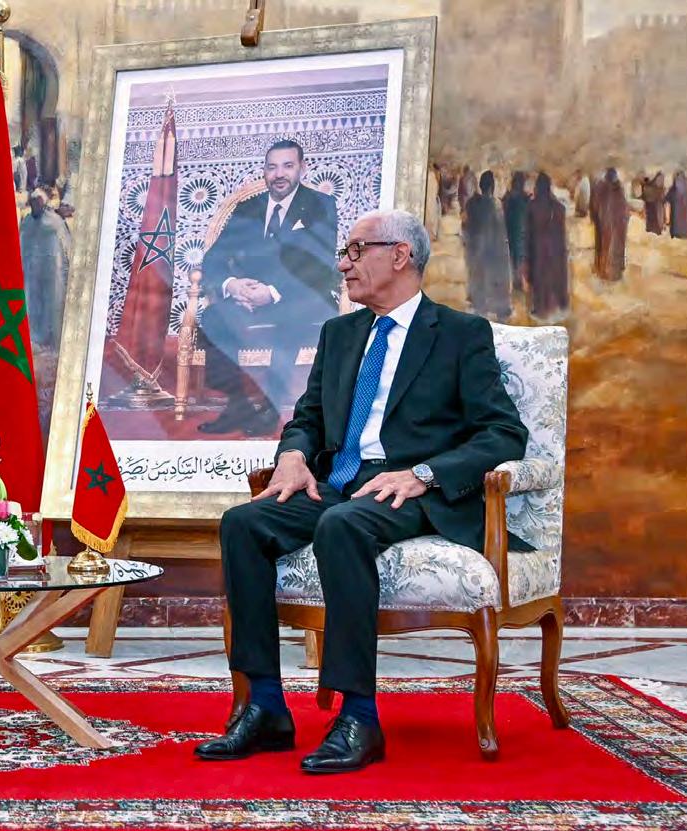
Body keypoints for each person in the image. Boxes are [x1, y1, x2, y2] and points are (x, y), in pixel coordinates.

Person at [194, 209, 529, 774]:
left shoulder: (459, 335)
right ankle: (266, 706)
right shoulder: (340, 334)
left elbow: (503, 432)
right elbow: (307, 417)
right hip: (340, 482)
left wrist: (424, 474)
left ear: (399, 255)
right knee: (244, 523)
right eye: (344, 253)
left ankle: (359, 717)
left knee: (341, 524)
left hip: (409, 491)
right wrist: (293, 456)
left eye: (355, 251)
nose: (343, 264)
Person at [196, 139, 340, 436]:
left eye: (287, 166)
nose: (279, 174)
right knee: (213, 318)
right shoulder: (248, 208)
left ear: (302, 168)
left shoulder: (321, 205)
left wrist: (272, 293)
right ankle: (237, 404)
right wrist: (234, 285)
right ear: (264, 171)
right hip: (250, 297)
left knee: (290, 317)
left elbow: (319, 262)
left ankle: (270, 405)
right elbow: (214, 259)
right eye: (272, 167)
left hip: (301, 296)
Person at [20, 188, 71, 352]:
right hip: (32, 272)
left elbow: (66, 246)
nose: (35, 205)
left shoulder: (55, 222)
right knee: (34, 304)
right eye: (33, 203)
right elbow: (21, 246)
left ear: (43, 203)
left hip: (51, 271)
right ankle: (36, 337)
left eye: (38, 202)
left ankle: (51, 340)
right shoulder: (26, 222)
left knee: (52, 303)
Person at [462, 170, 514, 321]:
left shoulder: (471, 204)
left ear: (480, 185)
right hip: (492, 249)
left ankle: (479, 308)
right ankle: (500, 311)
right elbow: (500, 230)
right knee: (497, 279)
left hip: (476, 248)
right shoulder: (495, 205)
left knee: (478, 279)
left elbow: (466, 227)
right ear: (492, 186)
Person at [526, 172, 569, 320]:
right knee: (554, 275)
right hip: (555, 249)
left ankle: (541, 308)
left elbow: (528, 233)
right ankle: (557, 304)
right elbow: (562, 233)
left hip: (538, 249)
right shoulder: (559, 207)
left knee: (540, 277)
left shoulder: (532, 206)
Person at [592, 168, 629, 282]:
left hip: (606, 223)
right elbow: (624, 208)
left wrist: (596, 218)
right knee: (613, 247)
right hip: (616, 223)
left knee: (606, 246)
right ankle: (611, 271)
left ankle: (605, 271)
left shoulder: (602, 188)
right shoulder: (619, 189)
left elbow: (595, 205)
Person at [501, 172, 529, 293]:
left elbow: (504, 212)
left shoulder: (508, 197)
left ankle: (515, 282)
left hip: (510, 231)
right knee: (521, 257)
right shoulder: (525, 198)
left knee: (513, 256)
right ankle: (520, 282)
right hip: (521, 232)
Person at [668, 170, 687, 240]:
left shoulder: (675, 186)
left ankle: (678, 234)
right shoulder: (684, 184)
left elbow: (669, 196)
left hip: (677, 208)